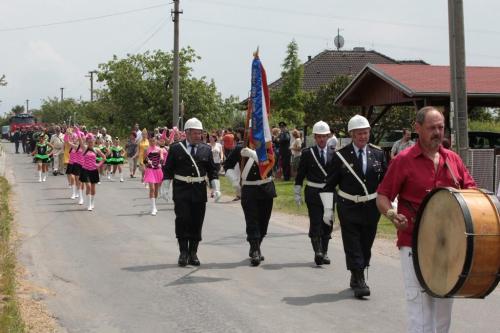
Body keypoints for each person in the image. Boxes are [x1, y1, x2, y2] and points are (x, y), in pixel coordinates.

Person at [376, 107, 476, 333]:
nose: (437, 132)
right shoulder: (403, 160)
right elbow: (382, 196)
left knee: (444, 309)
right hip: (413, 242)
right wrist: (392, 214)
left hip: (450, 244)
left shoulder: (453, 159)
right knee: (420, 309)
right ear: (417, 128)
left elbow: (471, 193)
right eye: (432, 128)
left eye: (441, 127)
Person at [322, 114, 387, 299]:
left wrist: (392, 204)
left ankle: (357, 272)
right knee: (352, 243)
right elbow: (329, 184)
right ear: (351, 134)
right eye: (359, 133)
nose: (363, 136)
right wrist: (328, 210)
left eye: (365, 133)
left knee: (366, 244)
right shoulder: (340, 156)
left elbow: (386, 182)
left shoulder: (378, 154)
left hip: (371, 207)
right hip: (348, 206)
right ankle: (359, 279)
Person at [163, 117, 221, 267]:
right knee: (182, 220)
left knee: (197, 221)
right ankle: (183, 252)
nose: (198, 136)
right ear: (187, 133)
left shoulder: (206, 149)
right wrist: (165, 187)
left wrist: (216, 187)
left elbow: (212, 171)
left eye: (200, 133)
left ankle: (193, 252)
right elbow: (168, 169)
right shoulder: (176, 148)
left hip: (199, 190)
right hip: (181, 189)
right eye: (195, 133)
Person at [224, 141, 276, 266]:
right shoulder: (239, 148)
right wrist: (234, 181)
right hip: (249, 189)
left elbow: (271, 164)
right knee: (252, 220)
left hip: (266, 188)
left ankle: (256, 246)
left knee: (263, 222)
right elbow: (228, 166)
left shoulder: (268, 146)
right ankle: (255, 250)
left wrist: (253, 154)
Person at [294, 121, 334, 266]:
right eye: (319, 136)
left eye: (324, 136)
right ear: (315, 137)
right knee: (316, 221)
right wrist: (297, 192)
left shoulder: (333, 153)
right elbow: (300, 174)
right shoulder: (307, 153)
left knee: (328, 222)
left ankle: (325, 251)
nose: (322, 139)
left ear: (328, 136)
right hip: (313, 192)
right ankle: (318, 252)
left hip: (329, 193)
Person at [144, 136, 165, 216]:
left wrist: (160, 163)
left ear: (156, 141)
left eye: (153, 141)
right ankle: (153, 208)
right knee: (152, 188)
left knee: (156, 189)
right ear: (149, 141)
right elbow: (144, 160)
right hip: (150, 170)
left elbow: (162, 158)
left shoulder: (160, 149)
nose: (152, 142)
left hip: (158, 170)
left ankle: (154, 205)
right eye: (151, 141)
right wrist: (148, 162)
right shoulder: (147, 149)